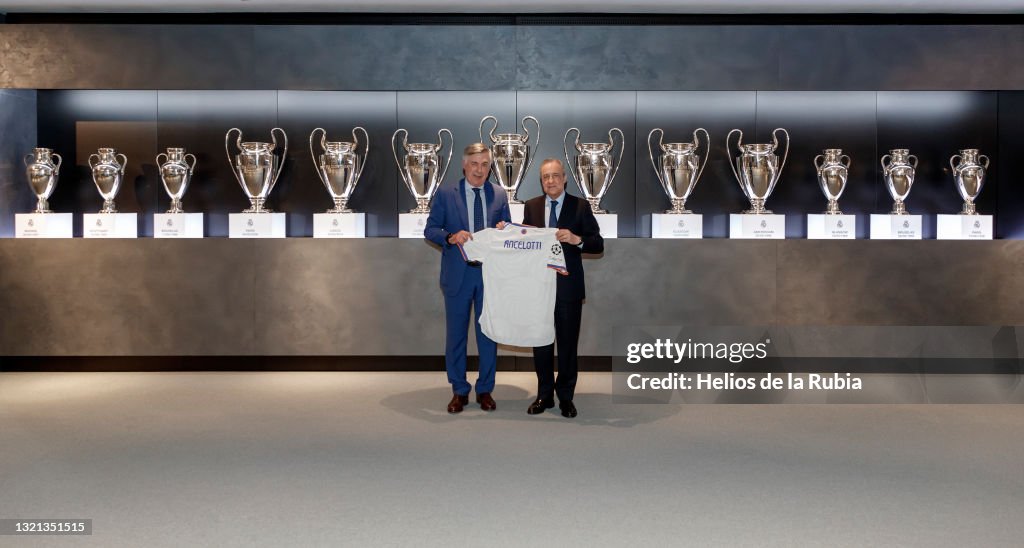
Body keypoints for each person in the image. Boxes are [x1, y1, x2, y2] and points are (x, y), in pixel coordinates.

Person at [424, 142, 511, 414]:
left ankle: (485, 389)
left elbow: (507, 233)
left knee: (488, 335)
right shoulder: (445, 194)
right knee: (456, 336)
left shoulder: (499, 194)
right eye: (474, 164)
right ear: (464, 165)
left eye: (485, 164)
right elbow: (430, 229)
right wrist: (450, 237)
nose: (480, 169)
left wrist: (503, 229)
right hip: (458, 275)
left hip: (489, 276)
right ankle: (459, 390)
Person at [522, 158, 604, 418]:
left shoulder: (580, 206)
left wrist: (577, 239)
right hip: (539, 288)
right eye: (546, 176)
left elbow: (597, 243)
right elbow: (525, 240)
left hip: (568, 289)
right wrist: (509, 233)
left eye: (555, 175)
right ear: (541, 180)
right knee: (542, 343)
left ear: (565, 177)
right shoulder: (531, 206)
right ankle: (544, 395)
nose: (551, 181)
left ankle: (566, 397)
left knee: (568, 345)